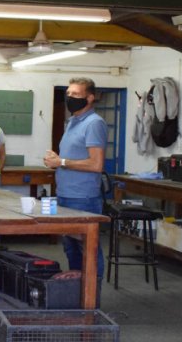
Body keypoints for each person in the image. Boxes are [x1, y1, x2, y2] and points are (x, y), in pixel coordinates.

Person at [43, 77, 107, 279]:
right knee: (71, 251)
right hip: (66, 195)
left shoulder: (94, 123)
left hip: (83, 198)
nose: (70, 98)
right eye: (68, 94)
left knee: (88, 250)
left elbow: (96, 165)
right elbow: (71, 157)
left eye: (76, 95)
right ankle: (77, 297)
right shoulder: (72, 122)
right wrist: (55, 159)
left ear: (89, 98)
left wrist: (61, 162)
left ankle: (91, 302)